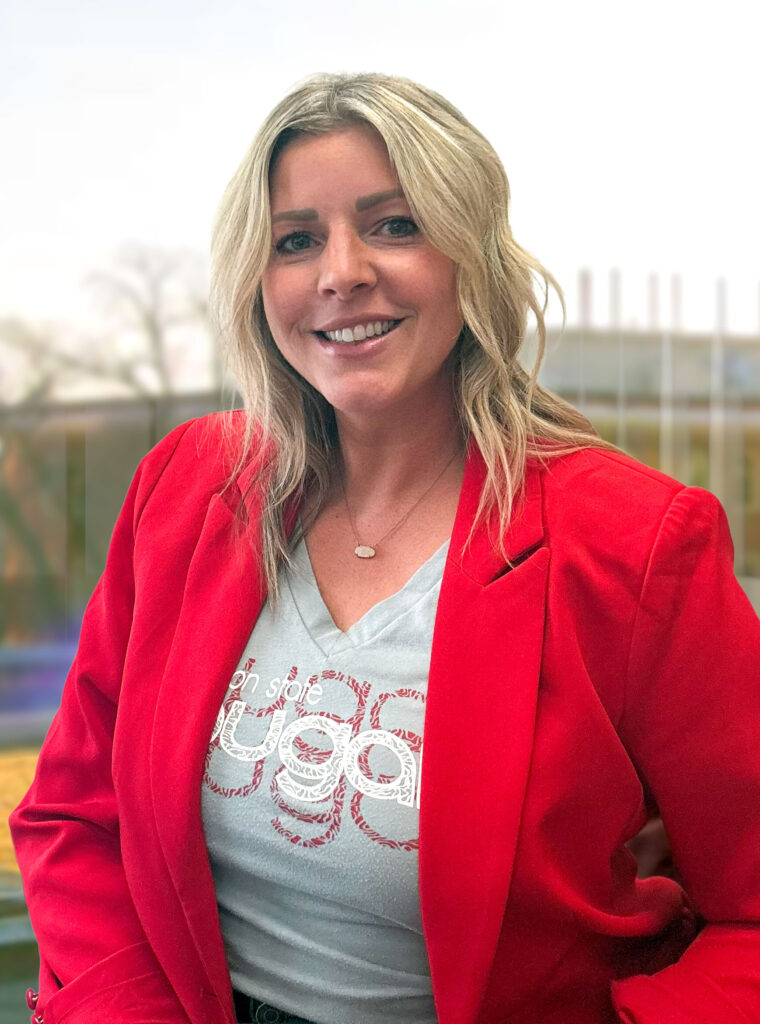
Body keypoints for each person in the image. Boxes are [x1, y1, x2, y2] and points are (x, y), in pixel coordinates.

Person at [10, 71, 760, 1024]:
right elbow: (75, 813)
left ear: (472, 258)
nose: (340, 272)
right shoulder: (186, 489)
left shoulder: (636, 547)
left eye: (394, 225)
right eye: (296, 240)